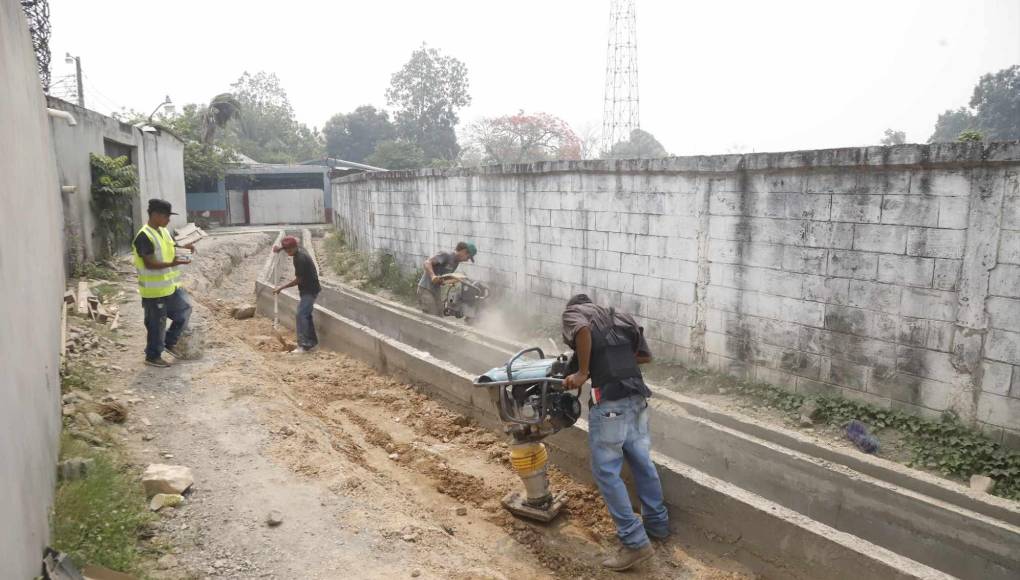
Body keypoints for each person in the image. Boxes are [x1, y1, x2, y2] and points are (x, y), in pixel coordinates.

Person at [561, 294, 668, 572]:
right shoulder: (619, 315)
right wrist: (611, 360)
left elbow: (583, 332)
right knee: (643, 462)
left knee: (607, 472)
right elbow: (645, 355)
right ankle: (657, 526)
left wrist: (584, 372)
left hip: (610, 405)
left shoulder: (576, 315)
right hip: (637, 399)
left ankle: (634, 543)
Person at [132, 199, 195, 368]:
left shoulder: (163, 232)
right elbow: (149, 264)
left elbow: (172, 249)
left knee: (185, 309)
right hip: (154, 292)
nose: (169, 220)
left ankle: (169, 341)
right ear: (155, 215)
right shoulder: (144, 236)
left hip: (170, 287)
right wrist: (173, 263)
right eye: (166, 216)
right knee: (156, 324)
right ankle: (153, 355)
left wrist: (186, 249)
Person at [272, 236, 321, 354]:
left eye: (289, 250)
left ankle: (303, 345)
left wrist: (281, 288)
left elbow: (298, 280)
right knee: (306, 316)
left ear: (295, 247)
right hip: (308, 289)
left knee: (301, 315)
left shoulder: (300, 259)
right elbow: (286, 248)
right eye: (286, 250)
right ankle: (311, 343)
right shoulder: (297, 253)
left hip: (310, 290)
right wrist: (279, 249)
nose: (288, 252)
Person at [416, 241, 477, 315]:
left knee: (440, 316)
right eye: (468, 257)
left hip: (435, 290)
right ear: (463, 251)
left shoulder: (455, 263)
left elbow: (442, 277)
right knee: (432, 316)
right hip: (425, 288)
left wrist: (452, 280)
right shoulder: (446, 255)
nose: (467, 260)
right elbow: (427, 262)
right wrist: (433, 276)